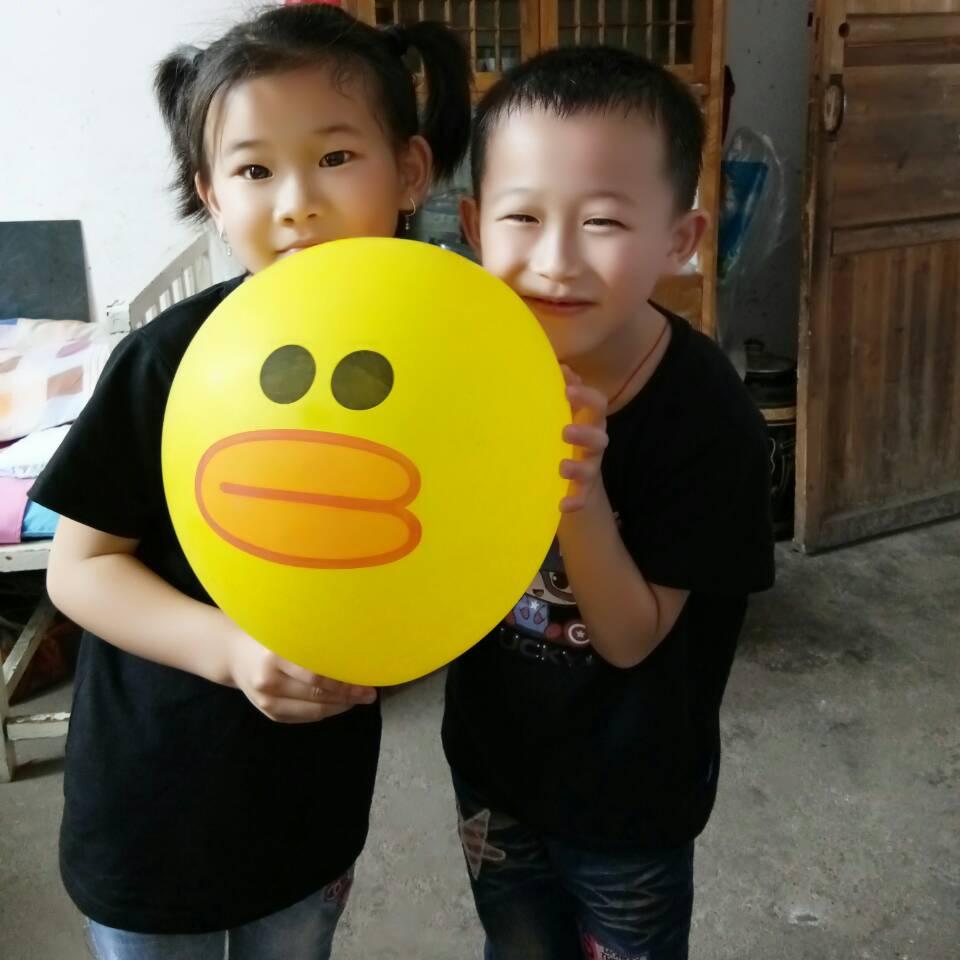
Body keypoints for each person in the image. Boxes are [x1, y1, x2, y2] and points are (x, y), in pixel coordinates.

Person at [29, 6, 470, 958]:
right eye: (255, 170)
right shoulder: (170, 359)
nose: (296, 202)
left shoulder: (440, 359)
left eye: (335, 157)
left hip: (310, 802)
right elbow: (80, 569)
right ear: (212, 195)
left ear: (410, 171)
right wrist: (231, 650)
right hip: (154, 801)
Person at [443, 46, 776, 960]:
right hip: (492, 768)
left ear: (680, 238)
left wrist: (577, 489)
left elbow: (630, 638)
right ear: (473, 225)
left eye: (602, 222)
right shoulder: (461, 371)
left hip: (631, 800)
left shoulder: (710, 423)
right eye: (522, 216)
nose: (555, 262)